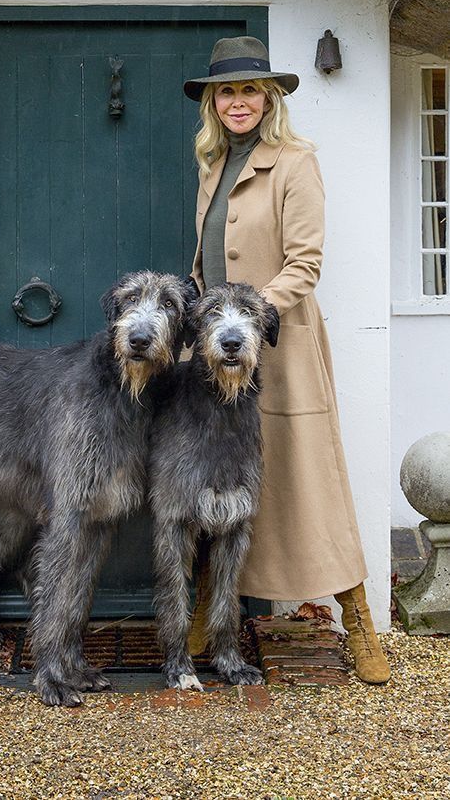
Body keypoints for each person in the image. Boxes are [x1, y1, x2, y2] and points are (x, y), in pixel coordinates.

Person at [182, 35, 390, 685]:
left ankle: (358, 621)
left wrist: (250, 310)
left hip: (281, 345)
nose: (237, 101)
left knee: (310, 482)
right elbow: (204, 263)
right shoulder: (212, 165)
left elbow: (306, 262)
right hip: (221, 358)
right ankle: (209, 613)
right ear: (212, 103)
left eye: (248, 90)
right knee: (225, 484)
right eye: (226, 91)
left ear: (267, 98)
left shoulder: (296, 162)